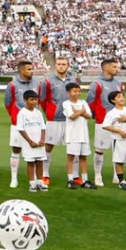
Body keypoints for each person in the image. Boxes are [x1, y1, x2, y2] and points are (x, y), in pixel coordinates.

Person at [40, 55, 79, 186]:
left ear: (68, 66)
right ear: (55, 65)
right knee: (48, 146)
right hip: (54, 119)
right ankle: (45, 174)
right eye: (59, 64)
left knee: (74, 146)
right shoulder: (47, 81)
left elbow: (76, 97)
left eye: (64, 64)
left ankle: (75, 175)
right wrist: (50, 113)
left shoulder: (73, 79)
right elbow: (43, 100)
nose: (61, 66)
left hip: (71, 119)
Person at [4, 60, 40, 189]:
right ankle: (14, 178)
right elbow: (8, 103)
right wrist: (15, 116)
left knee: (35, 150)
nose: (31, 71)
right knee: (16, 149)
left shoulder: (36, 83)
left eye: (32, 69)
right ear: (21, 70)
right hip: (17, 123)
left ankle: (35, 178)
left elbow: (39, 100)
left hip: (34, 124)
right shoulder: (12, 85)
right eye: (29, 69)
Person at [86, 58, 122, 187]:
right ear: (106, 68)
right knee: (100, 149)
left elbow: (120, 100)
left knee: (117, 149)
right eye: (114, 67)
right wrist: (96, 116)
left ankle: (116, 175)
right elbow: (90, 102)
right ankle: (97, 175)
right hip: (102, 122)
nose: (117, 69)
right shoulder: (96, 84)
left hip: (117, 121)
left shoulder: (118, 82)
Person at [62, 82, 95, 189]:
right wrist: (81, 111)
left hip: (83, 134)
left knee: (83, 157)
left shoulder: (83, 102)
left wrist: (79, 112)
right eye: (75, 91)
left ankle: (85, 180)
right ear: (68, 92)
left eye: (79, 91)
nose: (77, 93)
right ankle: (70, 179)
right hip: (73, 135)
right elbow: (72, 116)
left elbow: (89, 116)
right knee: (71, 157)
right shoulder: (66, 104)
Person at [102, 90, 126, 190]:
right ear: (113, 100)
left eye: (122, 96)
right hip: (118, 140)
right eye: (119, 97)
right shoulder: (111, 113)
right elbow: (105, 126)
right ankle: (121, 181)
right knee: (119, 161)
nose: (122, 98)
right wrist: (118, 131)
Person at [16, 90, 47, 192]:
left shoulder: (38, 113)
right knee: (30, 163)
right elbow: (21, 129)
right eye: (31, 100)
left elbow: (43, 127)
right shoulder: (22, 113)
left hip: (39, 143)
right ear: (26, 100)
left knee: (40, 162)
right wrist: (30, 141)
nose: (34, 102)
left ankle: (40, 182)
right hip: (29, 143)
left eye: (35, 99)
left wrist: (42, 139)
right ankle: (32, 183)